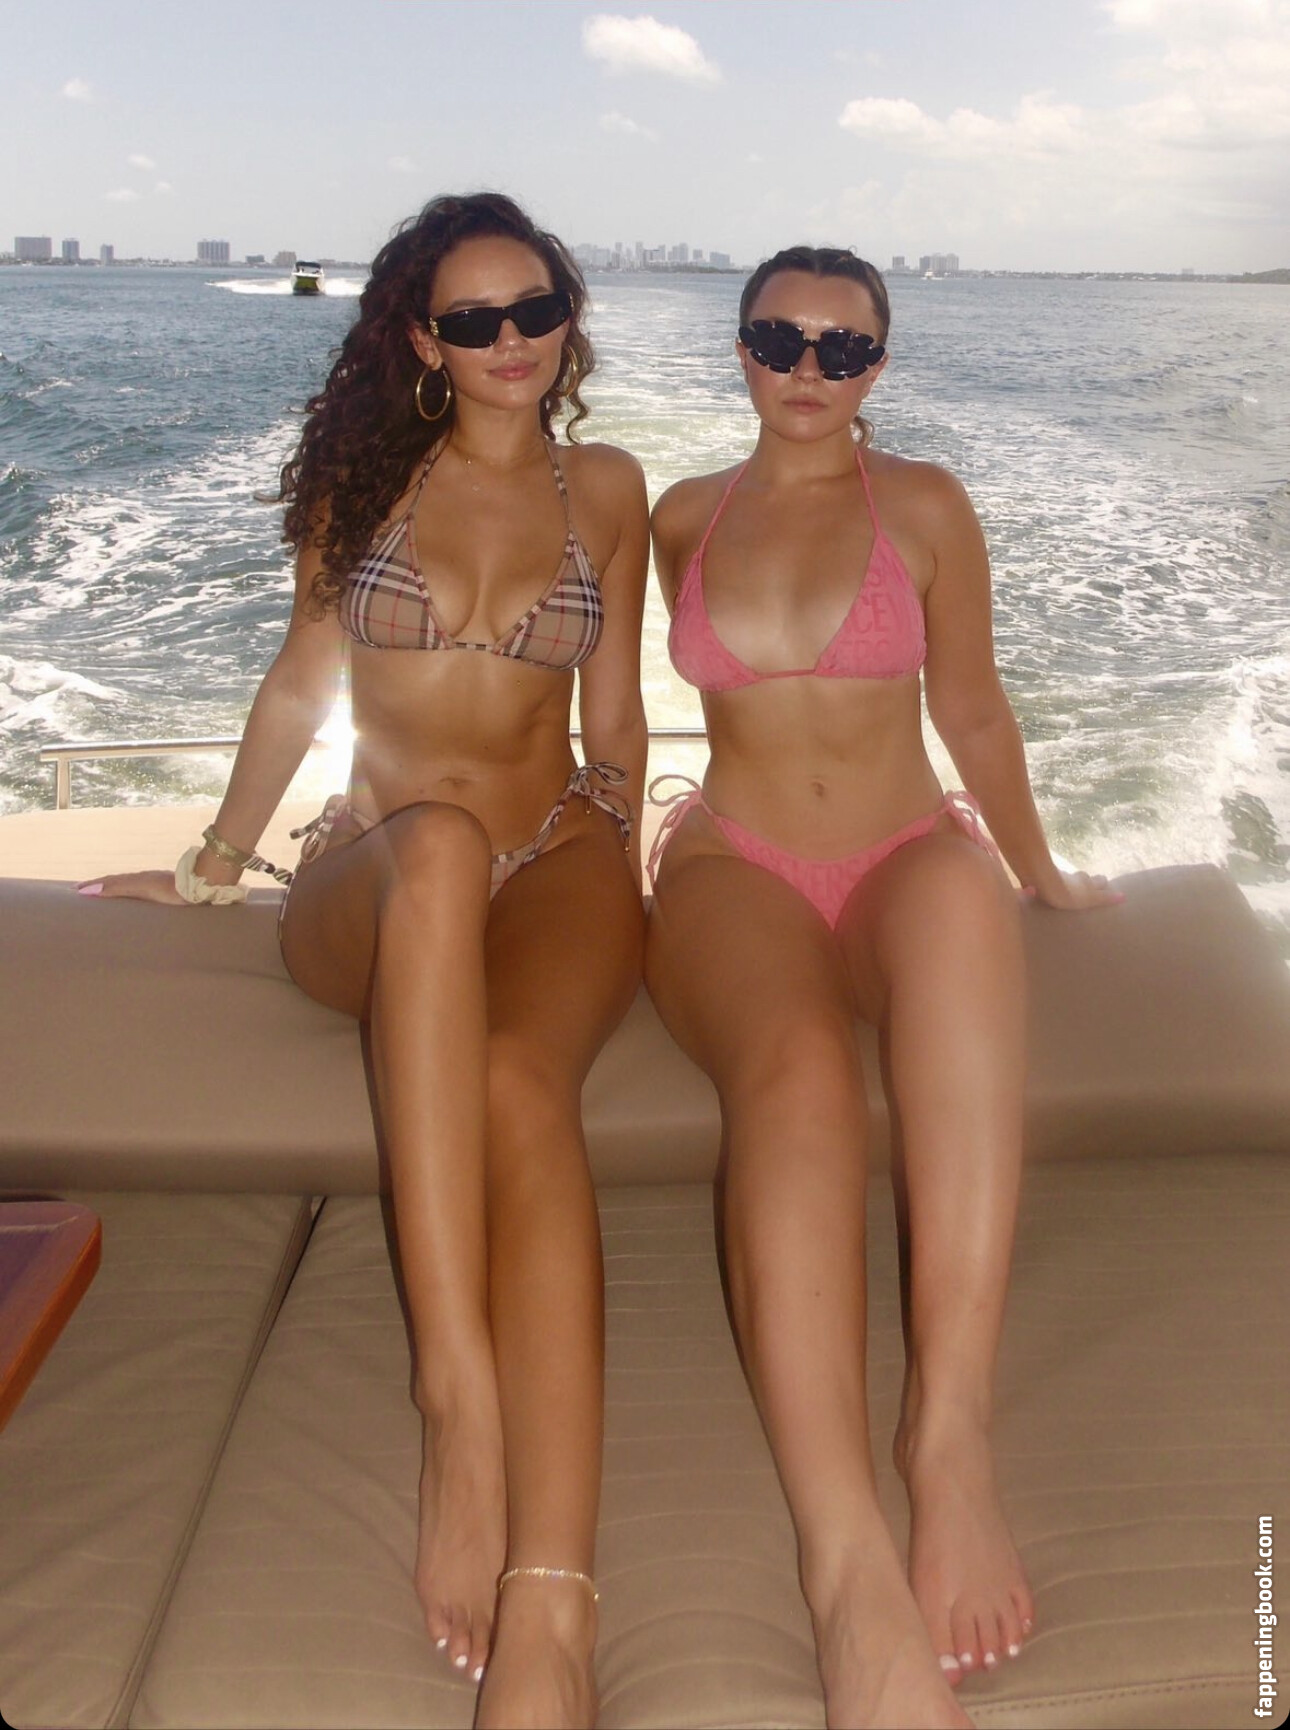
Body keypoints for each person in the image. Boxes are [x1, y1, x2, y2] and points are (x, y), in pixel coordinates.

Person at [80, 192, 649, 1729]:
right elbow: (296, 684)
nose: (511, 340)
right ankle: (455, 1400)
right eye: (473, 318)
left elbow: (614, 718)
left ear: (567, 315)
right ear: (420, 338)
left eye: (535, 308)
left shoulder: (606, 486)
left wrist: (625, 831)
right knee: (441, 844)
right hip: (381, 872)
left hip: (558, 854)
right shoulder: (363, 488)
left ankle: (555, 1597)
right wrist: (213, 861)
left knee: (522, 1084)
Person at [644, 246, 1121, 1730]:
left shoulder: (924, 507)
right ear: (739, 348)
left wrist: (1039, 869)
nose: (809, 368)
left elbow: (970, 706)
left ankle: (948, 1438)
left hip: (905, 845)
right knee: (792, 1076)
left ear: (879, 369)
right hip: (734, 862)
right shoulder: (678, 517)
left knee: (967, 913)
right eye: (780, 338)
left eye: (843, 348)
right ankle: (847, 1567)